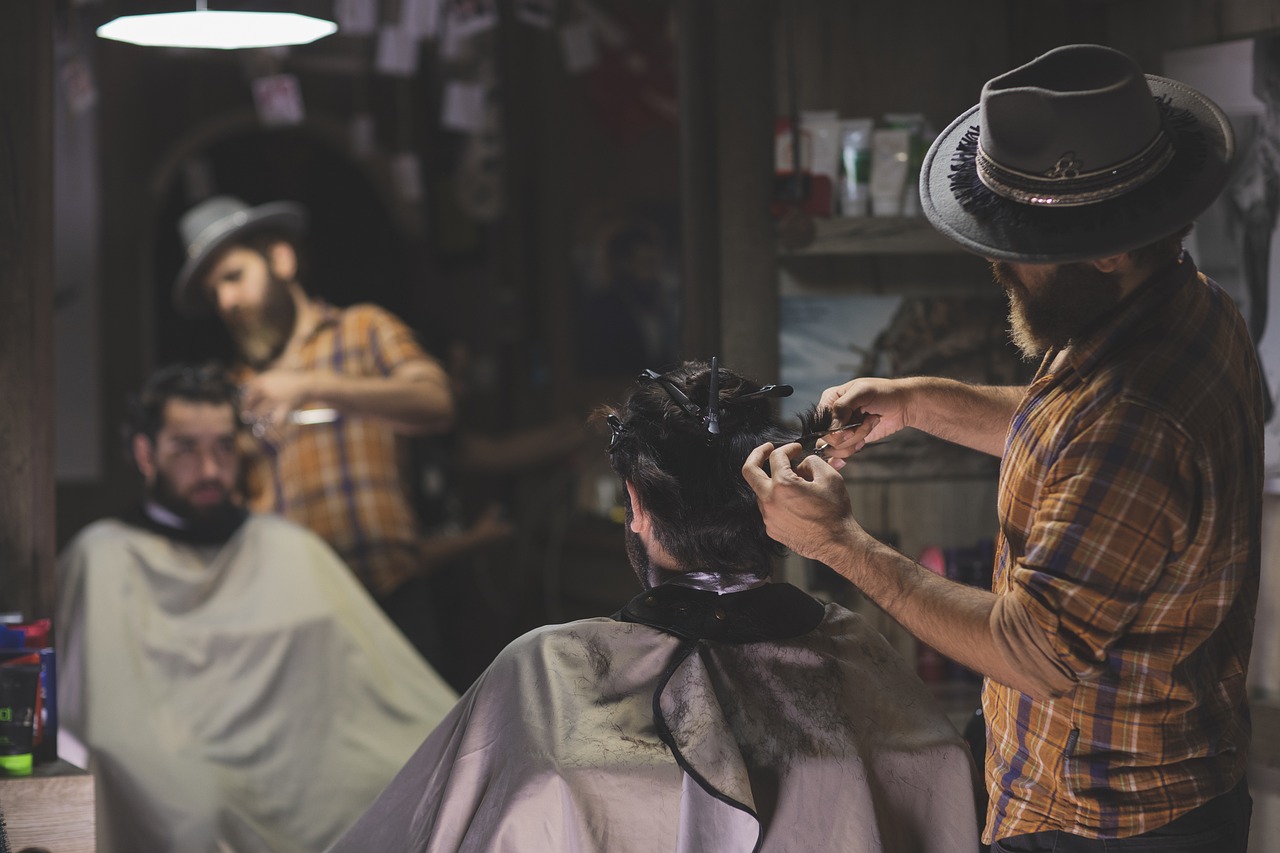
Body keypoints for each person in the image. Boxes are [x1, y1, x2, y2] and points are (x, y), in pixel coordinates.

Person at [743, 44, 1262, 852]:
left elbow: (1032, 647)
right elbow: (1071, 428)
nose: (997, 264)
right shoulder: (1181, 306)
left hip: (1109, 820)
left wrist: (836, 543)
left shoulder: (1136, 415)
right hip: (1100, 782)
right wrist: (915, 401)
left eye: (1021, 248)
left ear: (1110, 248)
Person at [329, 360, 982, 853]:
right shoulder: (853, 648)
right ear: (777, 498)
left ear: (636, 505)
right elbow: (938, 778)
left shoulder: (546, 668)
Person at [55, 363, 459, 853]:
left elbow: (371, 686)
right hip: (179, 772)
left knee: (414, 782)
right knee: (192, 816)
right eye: (186, 449)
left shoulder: (287, 547)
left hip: (301, 768)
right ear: (145, 453)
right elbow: (101, 721)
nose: (210, 470)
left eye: (223, 448)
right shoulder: (101, 556)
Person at [172, 195, 509, 664]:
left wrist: (312, 384)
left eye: (233, 277)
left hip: (390, 599)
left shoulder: (363, 329)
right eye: (214, 295)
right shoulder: (236, 388)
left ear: (280, 259)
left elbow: (436, 405)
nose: (226, 302)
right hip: (295, 619)